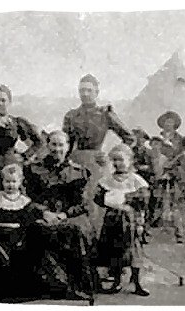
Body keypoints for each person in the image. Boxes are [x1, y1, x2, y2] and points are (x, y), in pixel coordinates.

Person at [24, 131, 97, 299]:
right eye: (53, 145)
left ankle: (76, 286)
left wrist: (64, 214)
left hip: (70, 216)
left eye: (61, 145)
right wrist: (44, 212)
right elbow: (27, 198)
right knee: (35, 229)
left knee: (75, 230)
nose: (57, 149)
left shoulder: (79, 172)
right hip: (44, 215)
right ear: (48, 146)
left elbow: (83, 204)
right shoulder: (34, 170)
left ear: (68, 147)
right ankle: (44, 285)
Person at [63, 74, 135, 234]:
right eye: (82, 90)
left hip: (97, 163)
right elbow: (66, 143)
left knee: (95, 202)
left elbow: (129, 137)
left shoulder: (105, 114)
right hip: (75, 161)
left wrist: (111, 156)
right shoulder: (71, 115)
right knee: (75, 201)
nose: (85, 94)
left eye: (89, 90)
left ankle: (96, 242)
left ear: (97, 92)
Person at [0, 163, 42, 301]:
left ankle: (15, 290)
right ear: (2, 181)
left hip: (17, 237)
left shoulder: (25, 202)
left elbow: (27, 223)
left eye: (14, 181)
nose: (10, 185)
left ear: (21, 181)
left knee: (20, 255)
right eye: (7, 181)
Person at [94, 144, 150, 297]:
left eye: (121, 160)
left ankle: (137, 282)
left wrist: (125, 198)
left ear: (130, 160)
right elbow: (99, 198)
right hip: (113, 220)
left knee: (134, 250)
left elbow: (143, 200)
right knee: (115, 250)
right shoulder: (107, 180)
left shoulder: (136, 180)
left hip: (131, 219)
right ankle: (117, 280)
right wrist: (110, 199)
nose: (118, 163)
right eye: (115, 160)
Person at [0, 85, 44, 196]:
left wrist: (25, 156)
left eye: (3, 100)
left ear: (9, 102)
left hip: (10, 164)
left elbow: (39, 141)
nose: (0, 103)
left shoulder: (16, 122)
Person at [146, 136, 169, 227]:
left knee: (159, 201)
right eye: (154, 144)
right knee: (148, 201)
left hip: (159, 182)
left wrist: (163, 177)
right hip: (149, 182)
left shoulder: (163, 158)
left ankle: (157, 220)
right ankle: (148, 219)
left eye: (158, 144)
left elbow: (167, 170)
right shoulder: (148, 157)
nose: (155, 146)